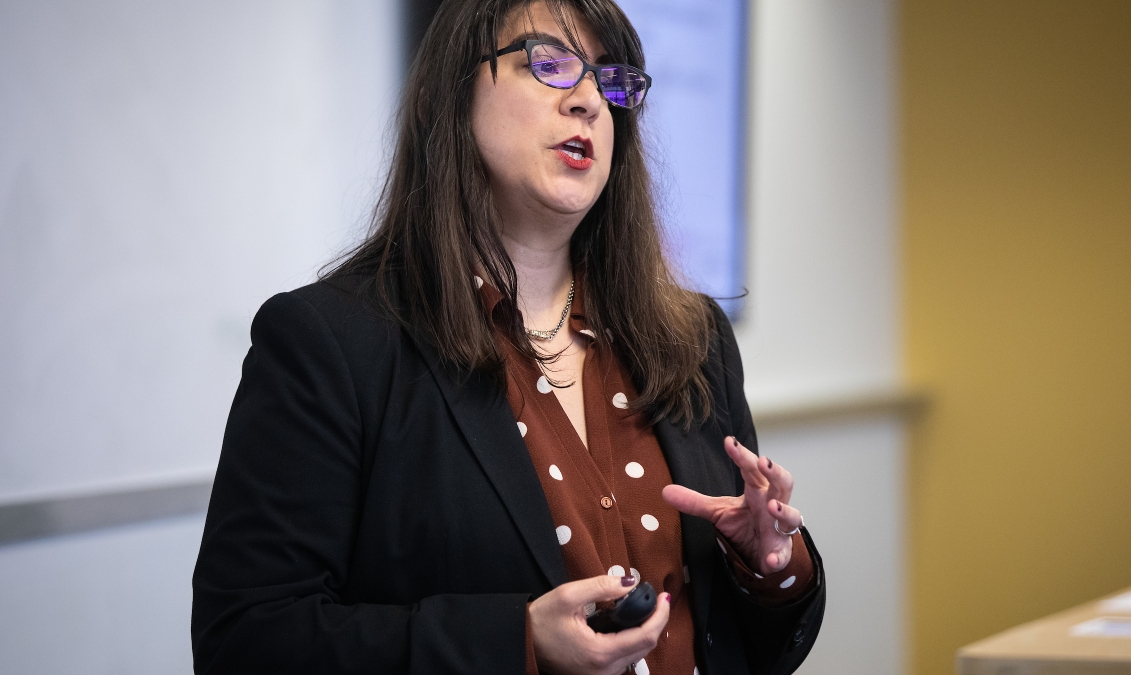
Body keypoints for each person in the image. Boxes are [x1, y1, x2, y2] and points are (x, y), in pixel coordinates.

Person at [190, 0, 825, 673]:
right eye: (548, 64)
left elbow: (744, 645)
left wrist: (768, 565)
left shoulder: (694, 338)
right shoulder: (330, 343)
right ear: (447, 95)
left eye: (610, 81)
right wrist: (518, 642)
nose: (588, 101)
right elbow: (247, 641)